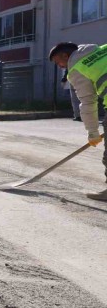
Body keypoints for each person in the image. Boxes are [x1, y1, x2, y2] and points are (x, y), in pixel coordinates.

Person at [49, 42, 107, 201]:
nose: (60, 66)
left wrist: (93, 133)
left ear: (66, 56)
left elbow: (88, 103)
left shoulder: (76, 69)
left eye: (58, 62)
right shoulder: (103, 49)